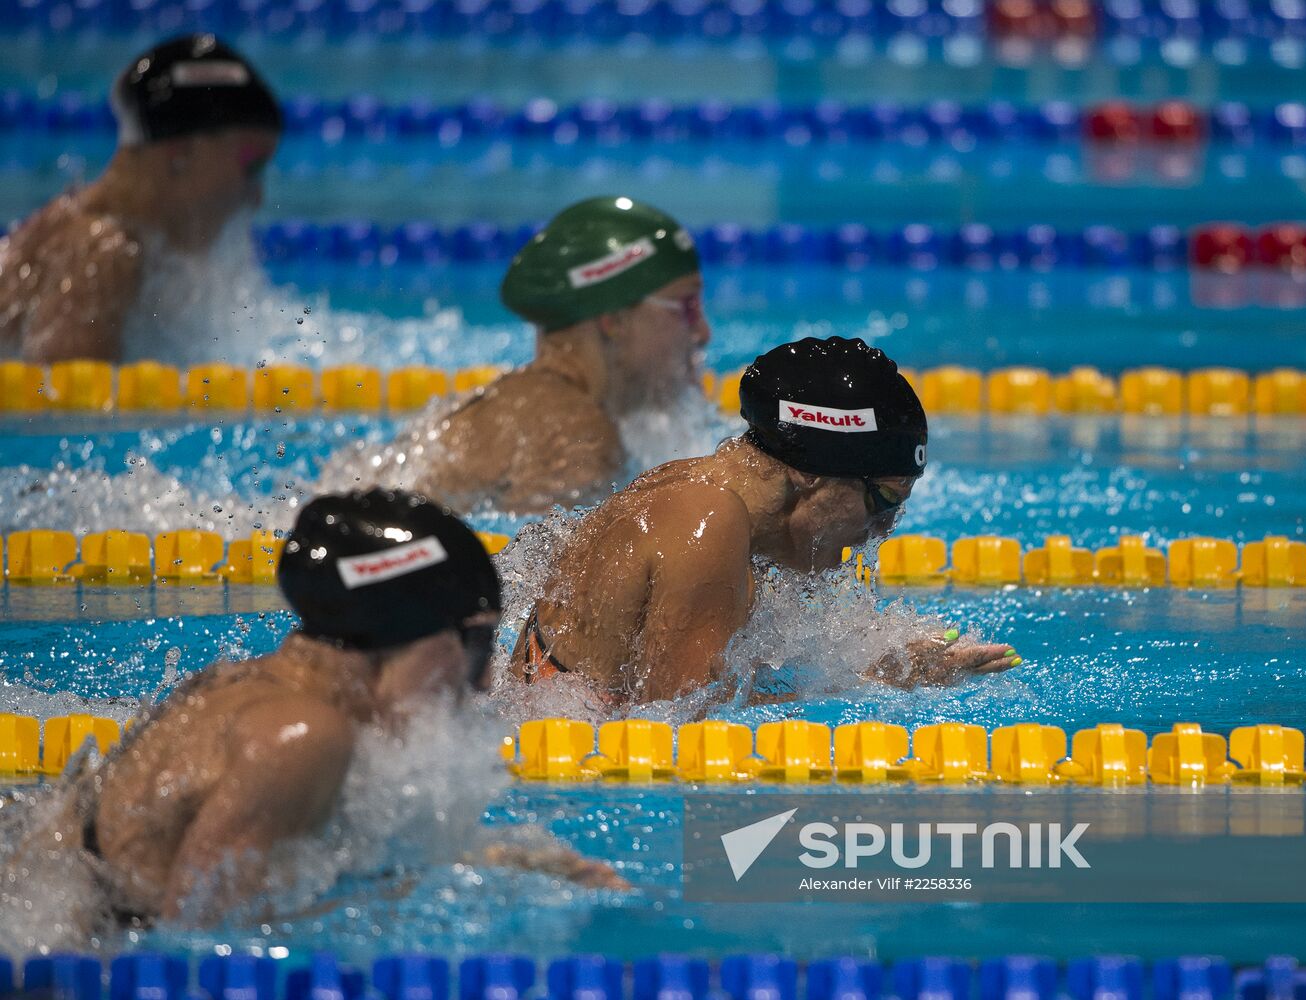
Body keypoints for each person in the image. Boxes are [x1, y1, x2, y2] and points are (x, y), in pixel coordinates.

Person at [33, 490, 618, 929]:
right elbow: (203, 942)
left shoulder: (249, 687)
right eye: (479, 644)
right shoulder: (304, 736)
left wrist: (493, 861)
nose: (487, 681)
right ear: (421, 634)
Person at [510, 336, 1020, 704]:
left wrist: (879, 662)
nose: (884, 528)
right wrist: (878, 683)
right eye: (884, 497)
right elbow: (676, 721)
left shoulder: (697, 490)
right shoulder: (708, 521)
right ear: (814, 475)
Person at [318, 196, 710, 514]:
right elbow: (535, 591)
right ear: (614, 321)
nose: (702, 333)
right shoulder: (576, 434)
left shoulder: (521, 404)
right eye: (686, 306)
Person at [0, 33, 282, 362]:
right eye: (251, 166)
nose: (256, 196)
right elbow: (71, 403)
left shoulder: (87, 226)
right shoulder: (104, 254)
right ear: (181, 152)